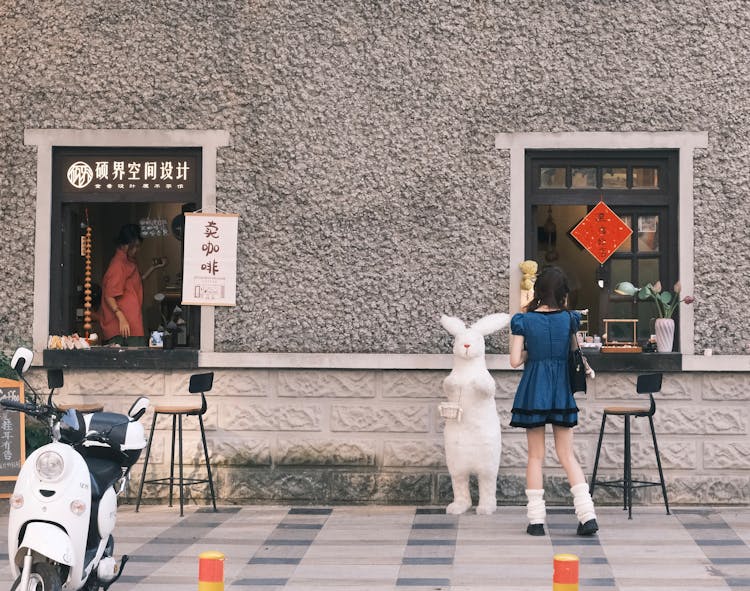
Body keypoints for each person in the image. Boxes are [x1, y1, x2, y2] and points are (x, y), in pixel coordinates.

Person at [509, 265, 598, 537]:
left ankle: (536, 521)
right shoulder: (570, 319)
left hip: (533, 389)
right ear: (563, 294)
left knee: (535, 456)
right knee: (566, 455)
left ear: (537, 291)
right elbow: (573, 353)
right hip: (561, 390)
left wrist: (530, 353)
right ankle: (587, 515)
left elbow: (514, 361)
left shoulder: (522, 320)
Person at [100, 224, 165, 346]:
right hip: (123, 328)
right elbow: (109, 295)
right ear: (125, 245)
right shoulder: (118, 265)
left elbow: (137, 281)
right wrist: (121, 317)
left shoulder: (127, 261)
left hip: (131, 323)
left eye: (138, 246)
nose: (136, 250)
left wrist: (153, 267)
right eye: (134, 247)